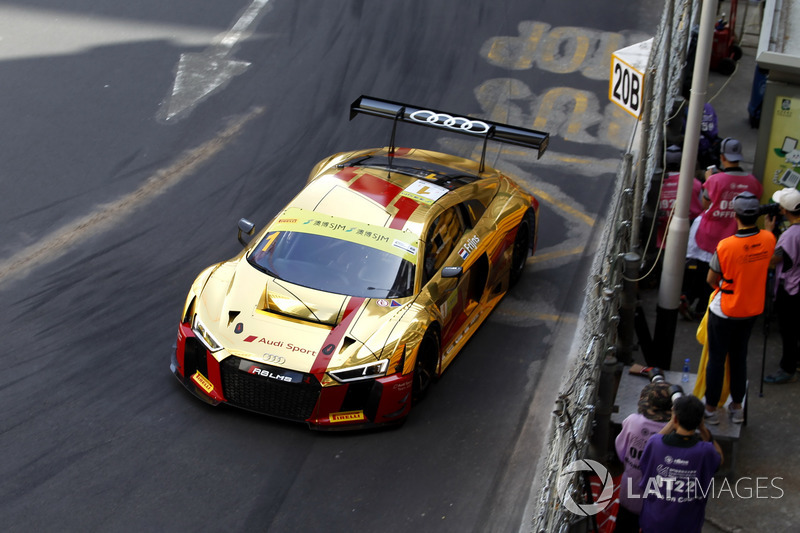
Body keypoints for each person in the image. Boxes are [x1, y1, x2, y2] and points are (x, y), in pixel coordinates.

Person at [703, 192, 776, 424]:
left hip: (725, 310)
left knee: (716, 359)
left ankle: (711, 409)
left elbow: (711, 279)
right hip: (751, 310)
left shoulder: (726, 246)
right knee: (739, 357)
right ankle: (736, 408)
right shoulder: (769, 239)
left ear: (735, 215)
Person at [688, 138, 763, 318]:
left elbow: (705, 204)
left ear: (722, 157)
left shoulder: (715, 180)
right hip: (735, 237)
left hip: (709, 235)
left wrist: (709, 179)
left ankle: (693, 301)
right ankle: (706, 306)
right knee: (725, 275)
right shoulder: (754, 183)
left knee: (704, 271)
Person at [638, 395, 723, 533]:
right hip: (687, 526)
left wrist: (672, 422)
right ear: (700, 420)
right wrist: (702, 428)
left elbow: (652, 443)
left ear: (675, 418)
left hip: (653, 524)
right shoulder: (705, 451)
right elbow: (720, 458)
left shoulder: (656, 444)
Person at [614, 382, 671, 532]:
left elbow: (620, 452)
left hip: (630, 491)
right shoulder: (674, 433)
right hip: (657, 499)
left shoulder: (632, 421)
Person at [764, 187, 800, 384]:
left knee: (789, 329)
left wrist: (769, 234)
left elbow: (774, 261)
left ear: (785, 210)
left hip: (791, 288)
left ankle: (788, 368)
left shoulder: (789, 236)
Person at [656, 145, 703, 250]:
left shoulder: (655, 184)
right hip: (689, 243)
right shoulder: (695, 183)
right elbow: (703, 208)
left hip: (659, 243)